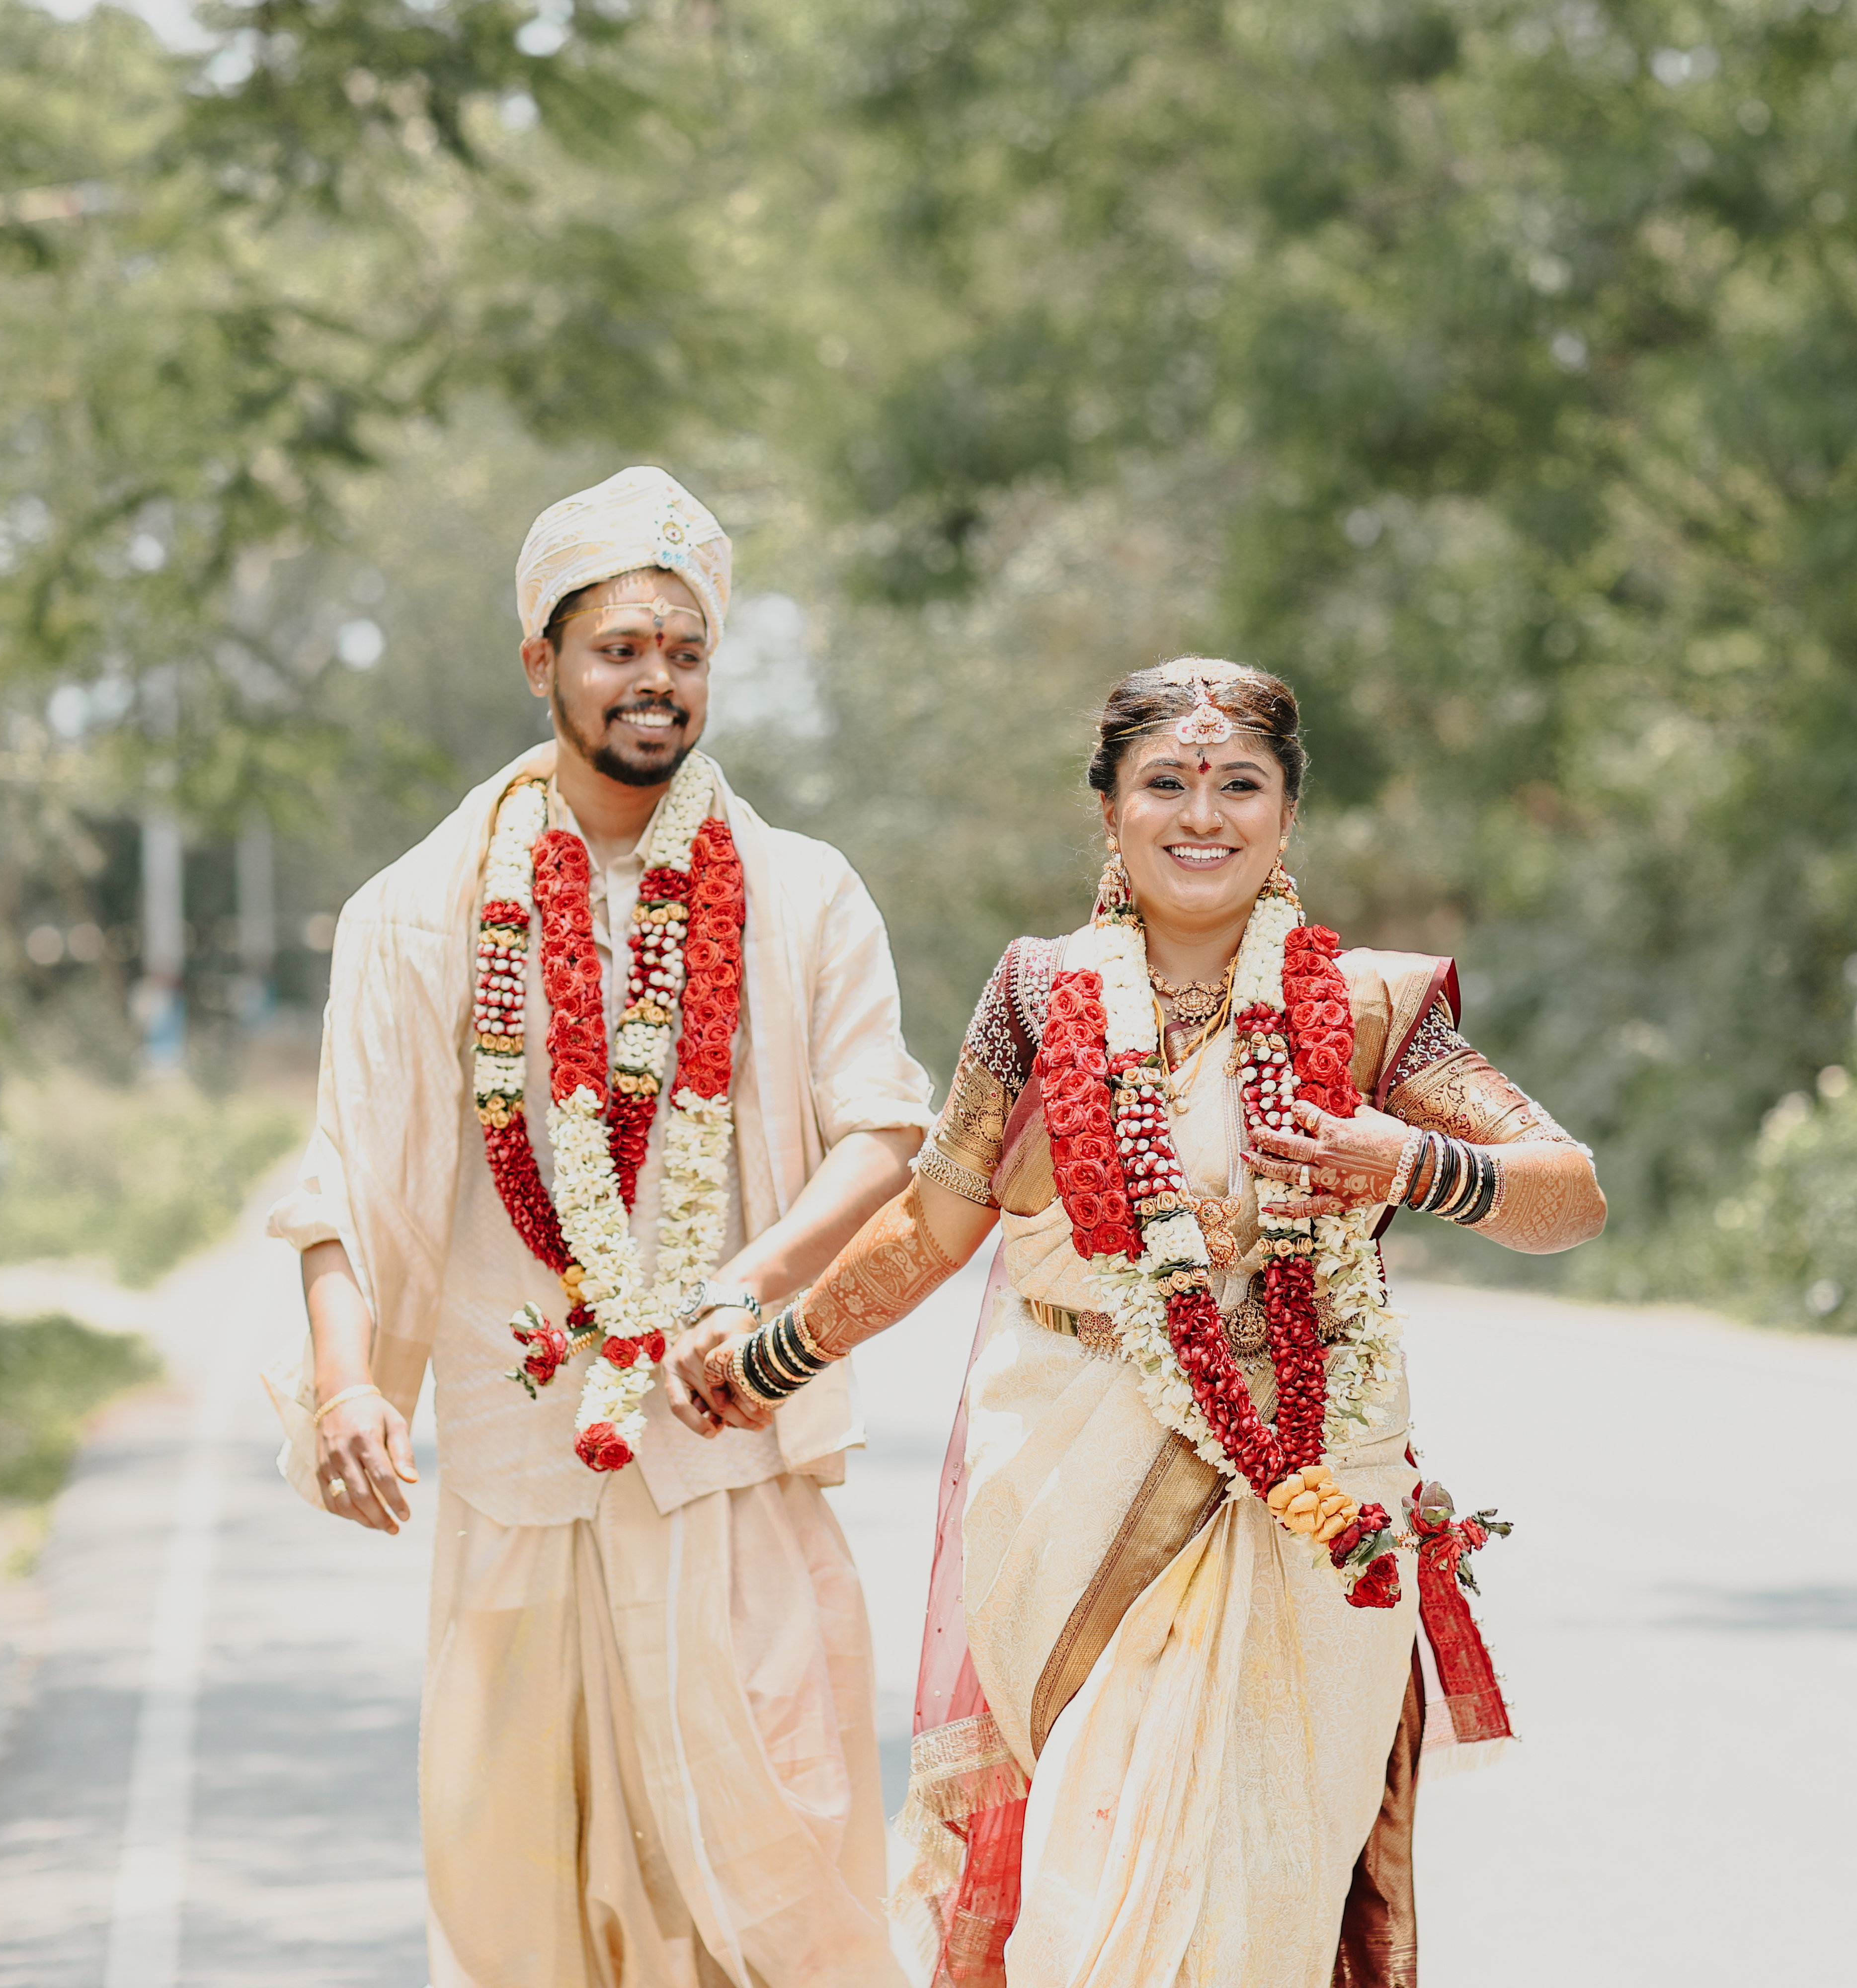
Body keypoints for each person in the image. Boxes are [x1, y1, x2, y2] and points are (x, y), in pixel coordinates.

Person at [668, 657, 1607, 1988]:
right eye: (1165, 783)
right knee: (1079, 1905)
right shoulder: (1038, 999)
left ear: (1288, 817)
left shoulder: (1375, 1011)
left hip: (1312, 1499)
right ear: (1107, 811)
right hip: (1065, 1486)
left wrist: (1408, 1163)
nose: (1202, 814)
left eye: (1240, 785)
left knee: (1258, 1904)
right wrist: (775, 1355)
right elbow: (935, 1226)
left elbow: (1570, 1192)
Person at [265, 466, 932, 1988]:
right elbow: (347, 1171)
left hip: (731, 1449)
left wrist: (743, 1287)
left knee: (778, 1867)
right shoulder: (418, 911)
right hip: (523, 1463)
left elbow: (884, 1131)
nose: (655, 682)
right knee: (526, 1884)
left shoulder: (805, 893)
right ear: (542, 663)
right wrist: (349, 1380)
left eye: (684, 653)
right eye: (621, 648)